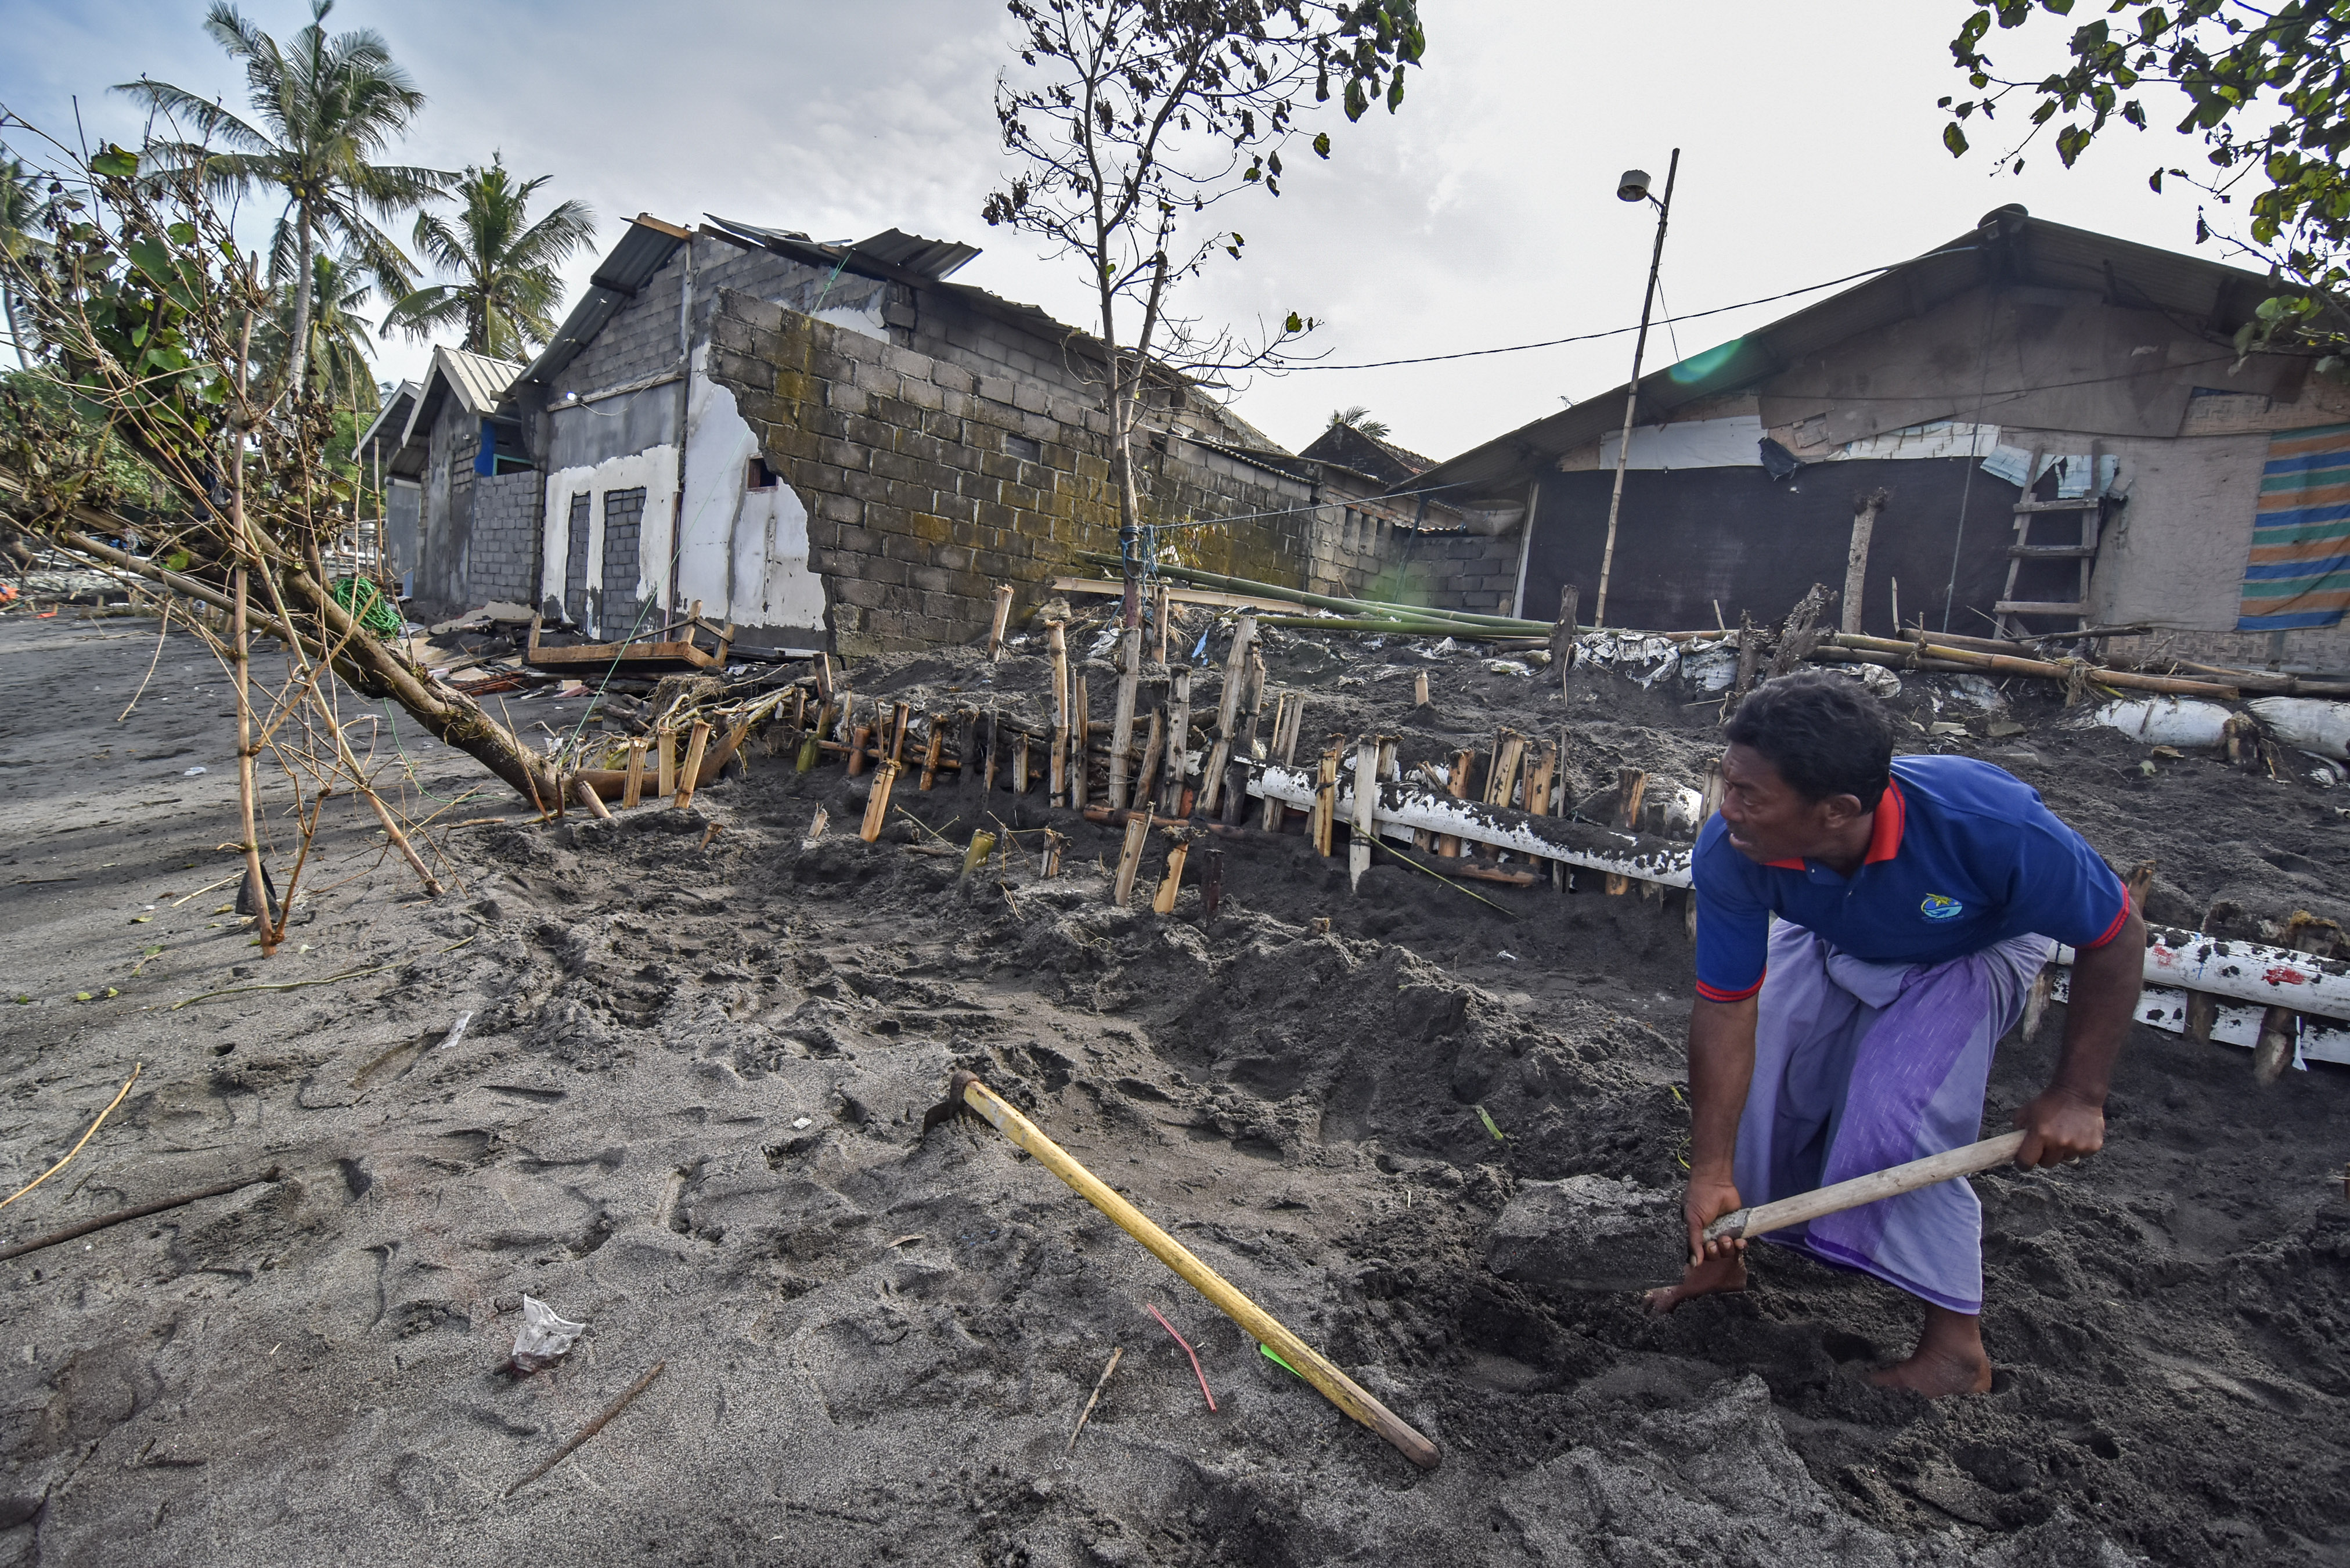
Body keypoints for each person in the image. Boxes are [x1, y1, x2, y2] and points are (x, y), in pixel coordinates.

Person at [1647, 673, 2145, 1396]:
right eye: (1728, 783)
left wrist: (2077, 1093)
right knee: (1763, 1069)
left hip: (1973, 946)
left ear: (1837, 811)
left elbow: (2117, 930)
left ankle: (1955, 1351)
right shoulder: (1735, 847)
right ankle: (1721, 1260)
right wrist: (1708, 1171)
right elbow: (1726, 1006)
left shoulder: (1987, 823)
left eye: (1751, 794)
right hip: (1832, 933)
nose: (1729, 809)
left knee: (1899, 1112)